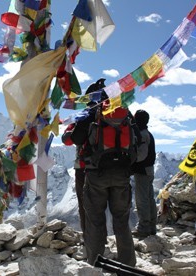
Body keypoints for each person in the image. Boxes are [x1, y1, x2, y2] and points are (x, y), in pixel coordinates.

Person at [72, 79, 137, 267]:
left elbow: (76, 138)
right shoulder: (125, 113)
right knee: (122, 221)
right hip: (122, 174)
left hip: (96, 175)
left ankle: (96, 264)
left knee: (95, 221)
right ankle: (128, 265)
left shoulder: (92, 112)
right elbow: (137, 139)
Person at [61, 78, 106, 234]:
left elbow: (69, 139)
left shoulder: (84, 116)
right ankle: (107, 240)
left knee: (85, 205)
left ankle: (90, 241)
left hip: (85, 167)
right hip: (112, 168)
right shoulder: (116, 115)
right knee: (106, 207)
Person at [131, 110, 157, 239]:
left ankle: (144, 227)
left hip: (142, 171)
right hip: (148, 170)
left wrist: (131, 162)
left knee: (142, 200)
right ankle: (152, 226)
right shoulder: (148, 134)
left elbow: (141, 155)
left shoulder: (142, 135)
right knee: (149, 199)